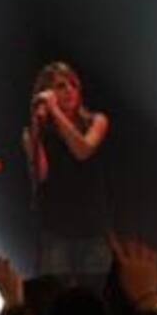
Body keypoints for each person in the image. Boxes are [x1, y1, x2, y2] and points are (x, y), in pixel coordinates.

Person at [20, 61, 111, 284]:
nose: (69, 90)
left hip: (92, 229)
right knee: (55, 294)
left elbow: (83, 150)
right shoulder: (34, 133)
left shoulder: (96, 121)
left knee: (93, 296)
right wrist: (37, 129)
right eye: (61, 86)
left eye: (73, 85)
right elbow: (40, 175)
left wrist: (55, 111)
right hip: (56, 231)